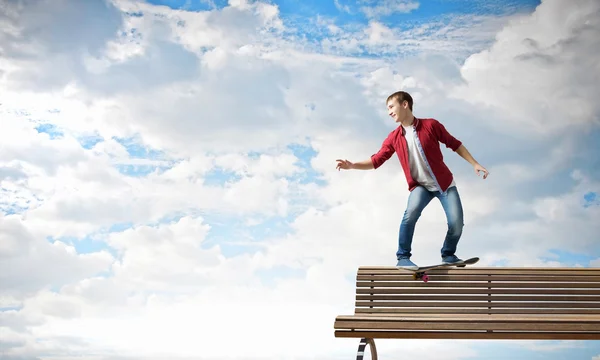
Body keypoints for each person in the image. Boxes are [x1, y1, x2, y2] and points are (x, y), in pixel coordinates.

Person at [336, 91, 489, 270]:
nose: (389, 112)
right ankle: (403, 257)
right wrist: (353, 165)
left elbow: (454, 144)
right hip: (420, 186)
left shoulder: (431, 125)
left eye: (391, 107)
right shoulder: (393, 137)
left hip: (444, 184)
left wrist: (475, 163)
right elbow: (377, 160)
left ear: (405, 104)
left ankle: (448, 254)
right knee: (410, 215)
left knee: (456, 223)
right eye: (387, 109)